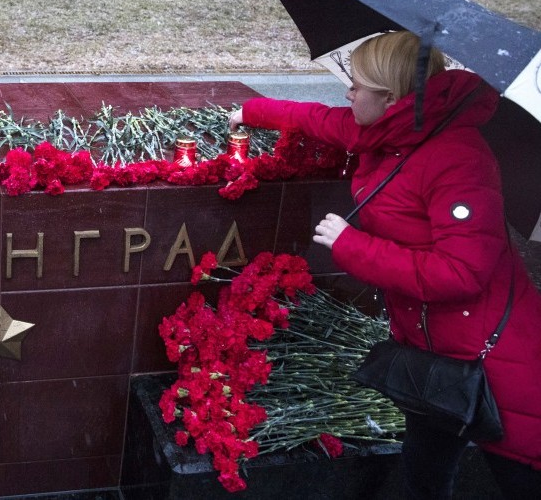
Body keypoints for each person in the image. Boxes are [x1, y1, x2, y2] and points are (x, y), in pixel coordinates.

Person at [229, 30, 541, 499]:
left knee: (518, 477)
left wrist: (352, 245)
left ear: (392, 98)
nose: (348, 92)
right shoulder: (387, 129)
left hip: (494, 360)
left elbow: (462, 273)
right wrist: (249, 112)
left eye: (357, 85)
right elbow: (317, 118)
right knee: (424, 472)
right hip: (432, 353)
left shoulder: (460, 161)